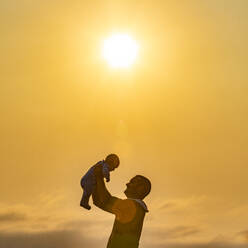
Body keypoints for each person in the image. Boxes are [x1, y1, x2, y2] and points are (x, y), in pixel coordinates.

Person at [92, 165, 151, 248]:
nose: (127, 184)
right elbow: (99, 201)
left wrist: (98, 176)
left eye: (132, 182)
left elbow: (105, 200)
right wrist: (95, 181)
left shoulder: (133, 206)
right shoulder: (134, 207)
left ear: (140, 188)